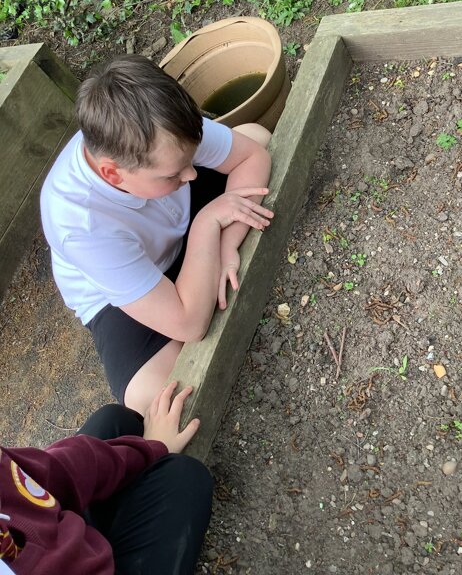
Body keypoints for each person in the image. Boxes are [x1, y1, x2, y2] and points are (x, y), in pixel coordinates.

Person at [40, 55, 273, 414]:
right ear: (112, 174)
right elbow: (190, 325)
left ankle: (194, 263)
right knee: (152, 394)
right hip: (124, 287)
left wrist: (227, 244)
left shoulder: (156, 126)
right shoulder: (80, 225)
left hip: (172, 215)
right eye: (175, 172)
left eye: (191, 160)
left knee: (257, 135)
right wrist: (207, 225)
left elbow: (251, 155)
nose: (192, 175)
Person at [0, 382, 213, 575]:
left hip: (52, 533)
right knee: (184, 476)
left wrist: (151, 448)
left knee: (114, 421)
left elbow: (50, 470)